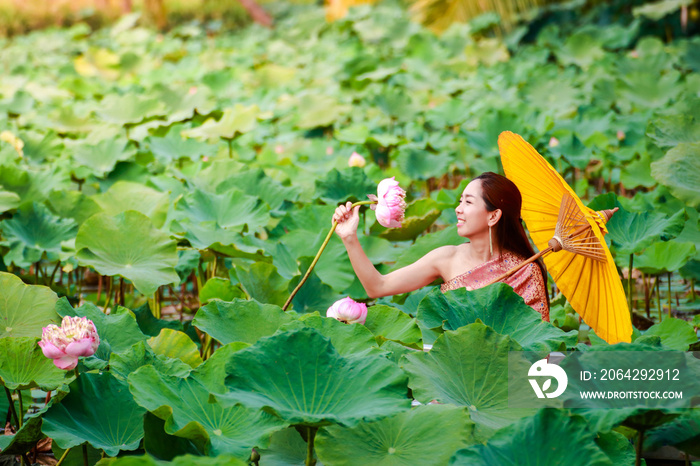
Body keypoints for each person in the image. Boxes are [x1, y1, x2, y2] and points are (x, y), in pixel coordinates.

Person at [332, 172, 549, 321]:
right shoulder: (446, 258)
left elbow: (538, 343)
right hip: (452, 371)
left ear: (493, 215)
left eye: (468, 202)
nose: (458, 209)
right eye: (459, 201)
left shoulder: (526, 271)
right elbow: (377, 287)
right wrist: (349, 237)